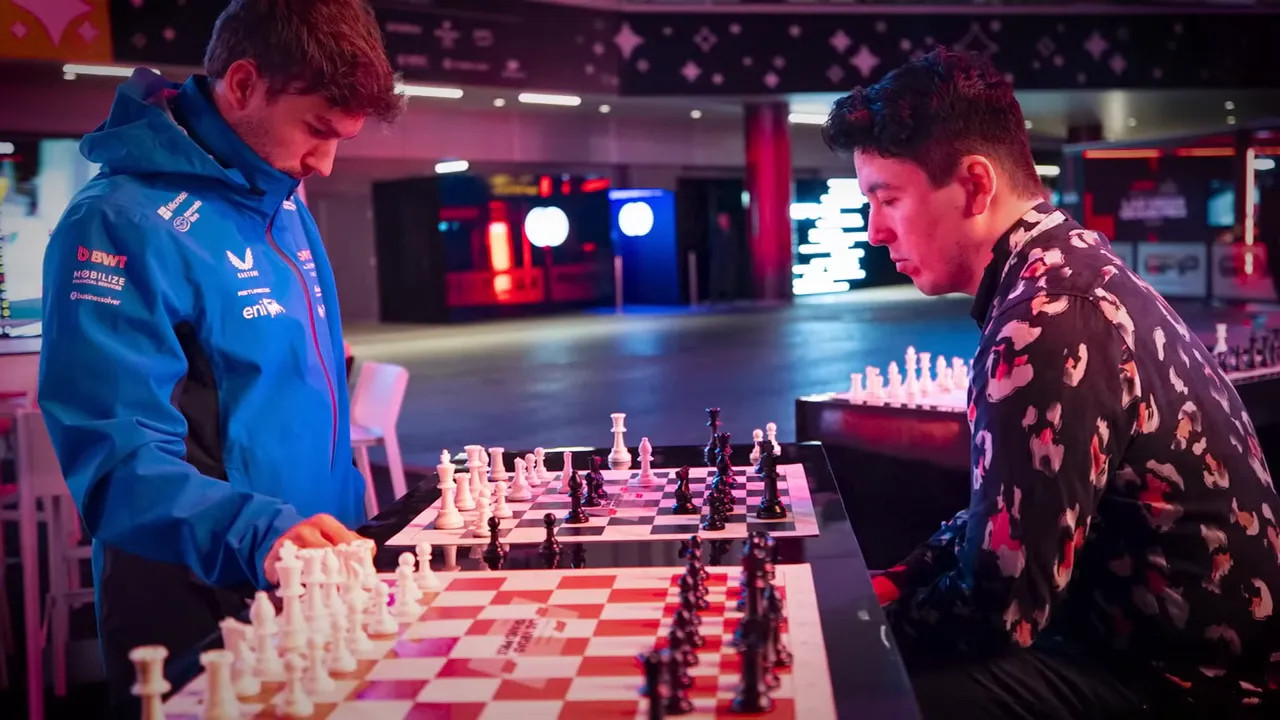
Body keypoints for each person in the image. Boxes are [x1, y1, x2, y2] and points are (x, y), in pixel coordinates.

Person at [823, 48, 1280, 719]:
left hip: (1192, 687)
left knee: (857, 694)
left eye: (887, 197)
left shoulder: (1047, 320)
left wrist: (840, 631)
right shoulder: (1067, 273)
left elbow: (1002, 609)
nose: (875, 230)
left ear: (975, 187)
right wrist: (894, 583)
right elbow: (1006, 521)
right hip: (1167, 655)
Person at [37, 0, 402, 713]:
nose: (324, 163)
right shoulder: (119, 220)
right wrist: (262, 535)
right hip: (204, 600)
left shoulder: (280, 196)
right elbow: (117, 460)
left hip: (315, 575)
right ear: (243, 86)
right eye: (318, 131)